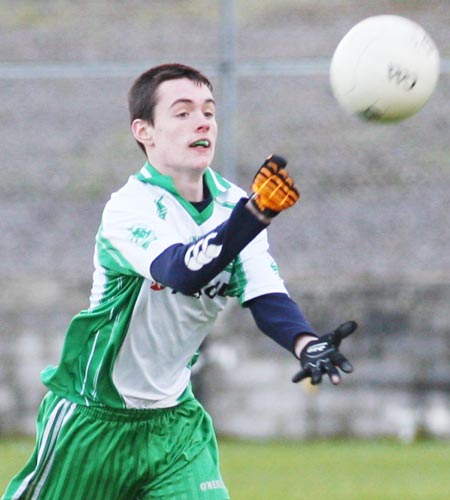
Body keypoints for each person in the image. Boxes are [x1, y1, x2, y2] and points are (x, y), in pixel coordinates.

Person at [2, 63, 357, 500]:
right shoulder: (129, 207)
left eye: (209, 110)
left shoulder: (235, 206)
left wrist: (306, 342)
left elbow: (264, 292)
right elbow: (182, 271)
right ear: (144, 131)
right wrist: (254, 218)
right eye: (183, 112)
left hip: (175, 426)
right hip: (93, 421)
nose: (202, 120)